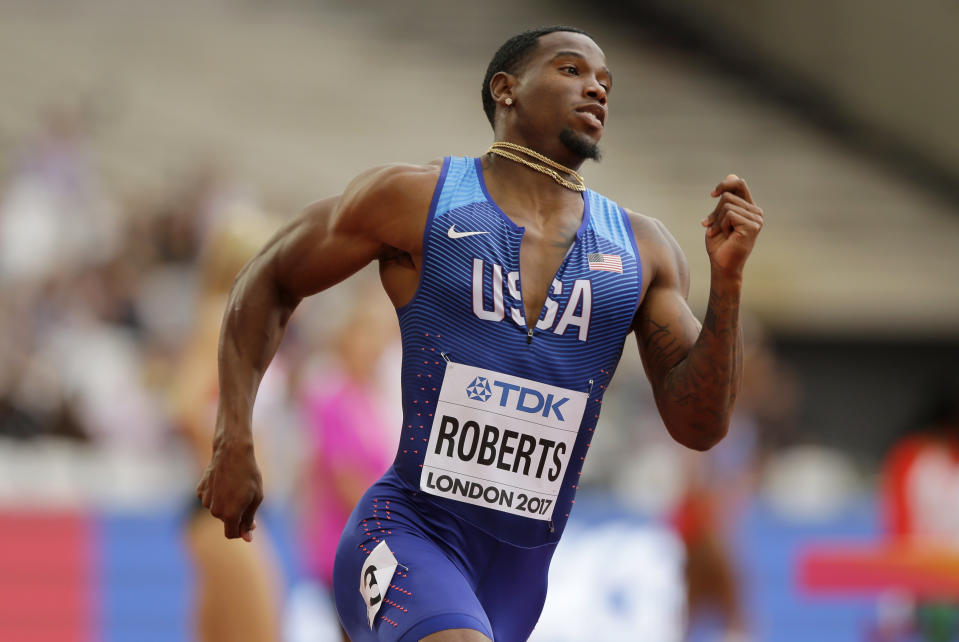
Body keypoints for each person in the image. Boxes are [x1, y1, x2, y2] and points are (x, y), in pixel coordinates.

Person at [196, 25, 764, 642]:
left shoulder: (642, 249)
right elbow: (268, 278)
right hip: (407, 531)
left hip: (518, 575)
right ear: (506, 89)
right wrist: (234, 436)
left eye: (605, 82)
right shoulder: (417, 201)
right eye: (572, 70)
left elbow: (700, 425)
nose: (596, 89)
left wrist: (727, 284)